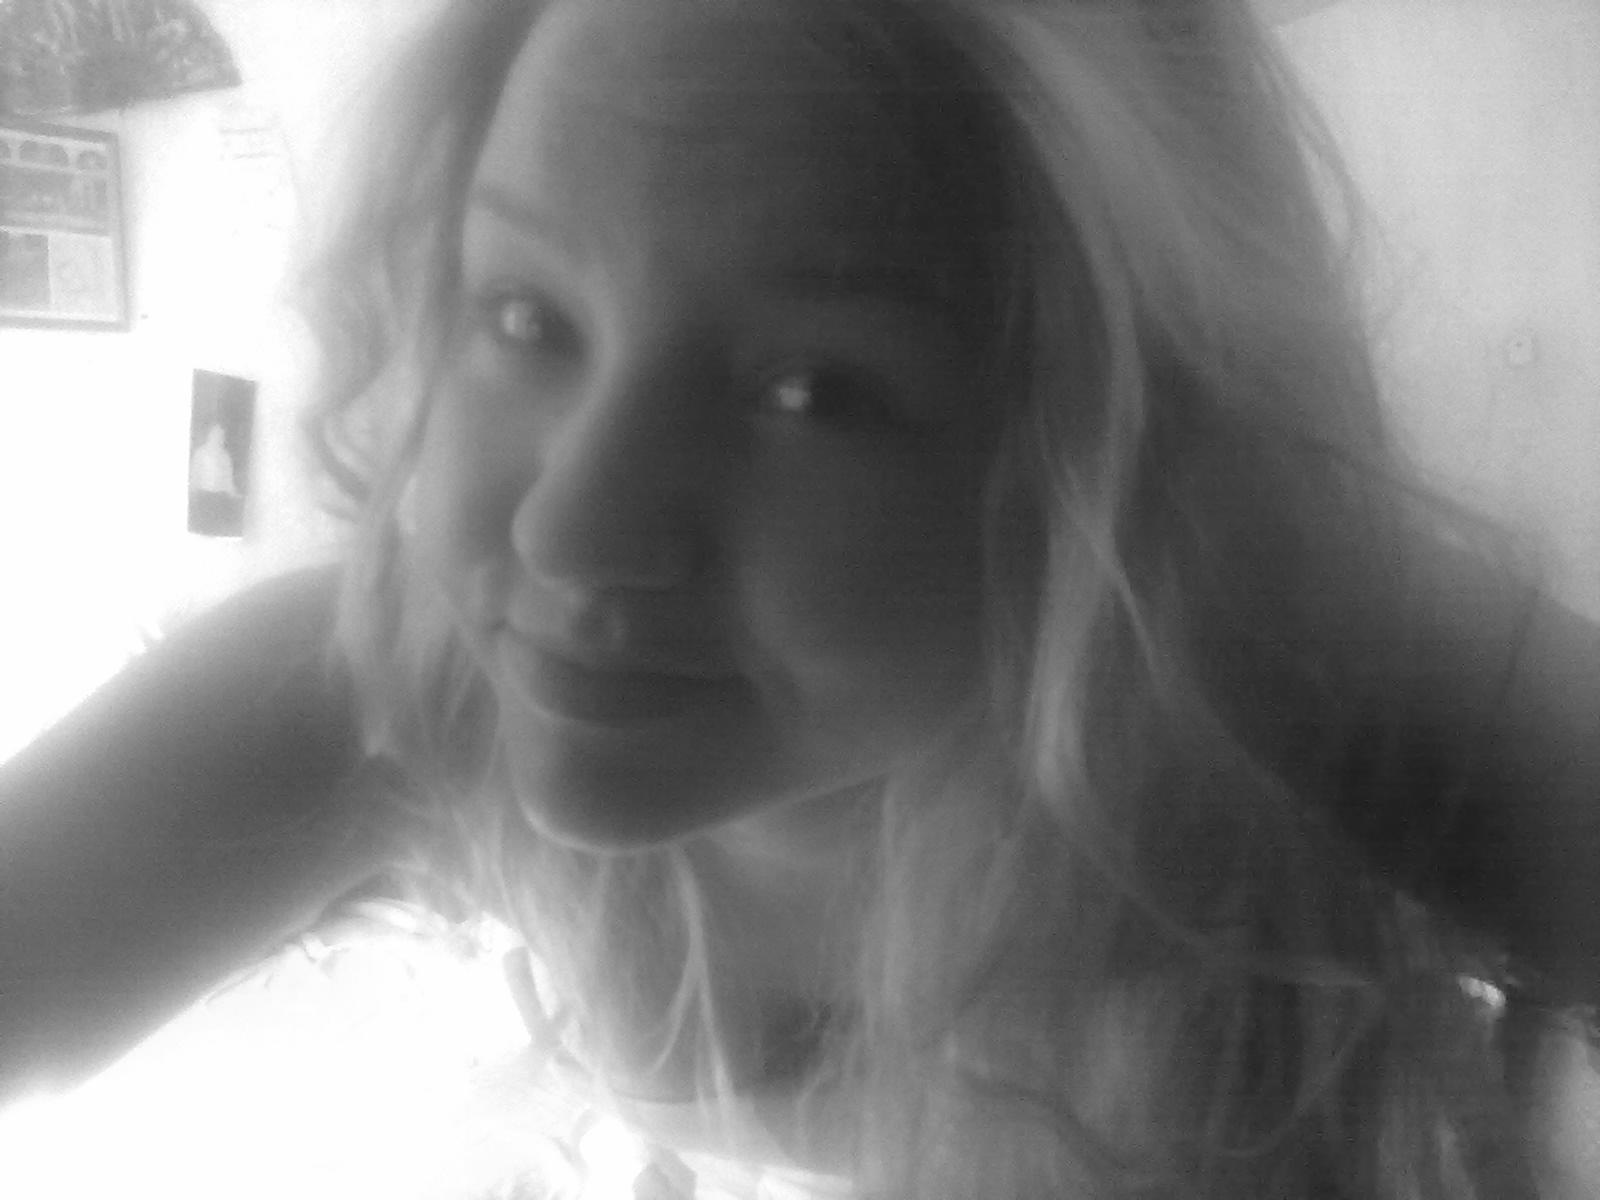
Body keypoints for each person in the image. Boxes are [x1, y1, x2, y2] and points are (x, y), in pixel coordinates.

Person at [3, 0, 1599, 1195]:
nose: (571, 527)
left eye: (811, 390)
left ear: (1108, 459)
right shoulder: (393, 671)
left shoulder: (1306, 683)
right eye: (527, 316)